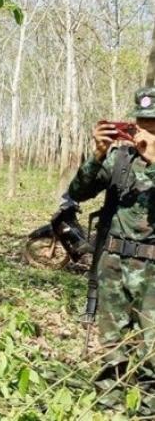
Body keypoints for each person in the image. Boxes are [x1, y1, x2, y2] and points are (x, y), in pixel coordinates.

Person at [67, 87, 155, 415]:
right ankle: (108, 408)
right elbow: (77, 191)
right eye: (141, 123)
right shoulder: (120, 159)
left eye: (154, 123)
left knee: (153, 353)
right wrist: (98, 154)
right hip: (115, 265)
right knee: (112, 349)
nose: (147, 130)